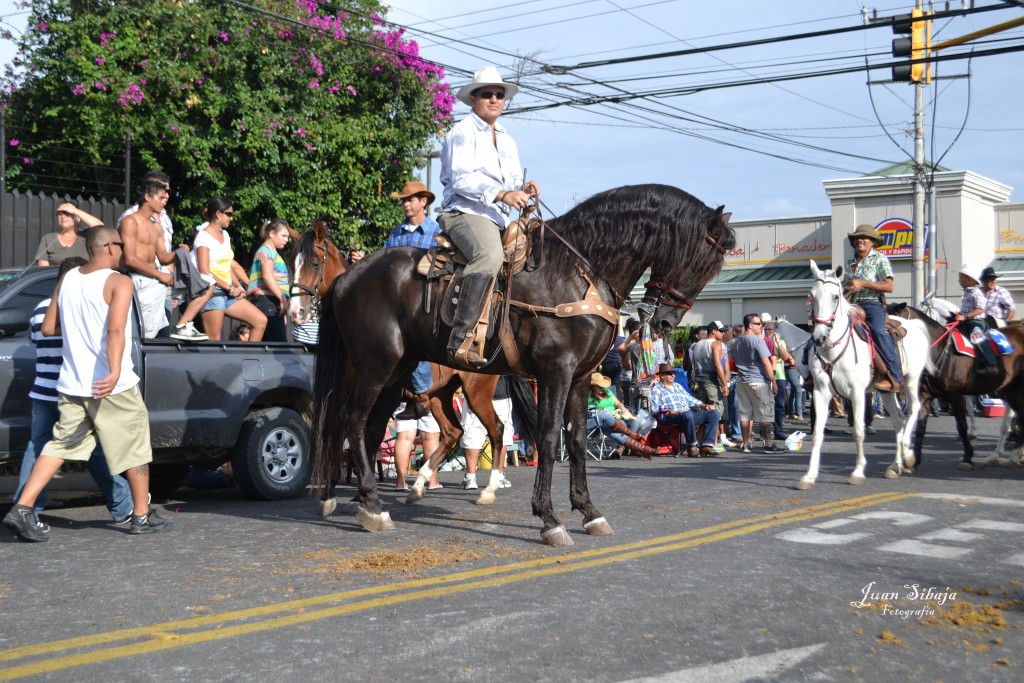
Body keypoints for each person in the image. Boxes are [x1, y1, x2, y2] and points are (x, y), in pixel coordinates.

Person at [3, 227, 171, 542]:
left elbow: (49, 326)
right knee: (135, 446)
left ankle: (23, 507)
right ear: (108, 246)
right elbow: (116, 332)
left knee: (59, 445)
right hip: (110, 384)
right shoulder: (119, 281)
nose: (123, 250)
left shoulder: (68, 280)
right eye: (120, 245)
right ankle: (140, 515)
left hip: (71, 384)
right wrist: (114, 369)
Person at [13, 257, 133, 534]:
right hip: (76, 390)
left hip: (43, 391)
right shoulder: (82, 308)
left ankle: (26, 509)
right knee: (97, 452)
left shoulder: (38, 311)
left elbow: (39, 343)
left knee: (39, 448)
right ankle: (124, 507)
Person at [438, 65, 539, 368]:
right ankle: (461, 338)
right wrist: (504, 195)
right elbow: (461, 180)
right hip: (463, 212)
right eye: (487, 94)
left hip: (495, 217)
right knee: (489, 255)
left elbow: (508, 183)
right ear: (473, 99)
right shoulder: (462, 132)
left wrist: (522, 189)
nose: (494, 99)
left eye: (499, 94)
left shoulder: (508, 140)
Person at [385, 180, 442, 401]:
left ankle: (421, 391)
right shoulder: (396, 233)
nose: (406, 205)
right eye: (404, 201)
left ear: (423, 202)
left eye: (410, 200)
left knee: (413, 337)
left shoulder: (437, 233)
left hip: (424, 301)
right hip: (395, 301)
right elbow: (385, 263)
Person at [193, 196, 267, 341]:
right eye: (229, 214)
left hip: (228, 292)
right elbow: (204, 270)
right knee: (214, 340)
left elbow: (227, 266)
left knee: (260, 321)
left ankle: (248, 361)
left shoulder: (225, 235)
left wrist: (238, 287)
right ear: (218, 214)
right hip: (211, 292)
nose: (231, 218)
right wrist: (230, 288)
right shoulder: (203, 237)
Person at [842, 223, 901, 392]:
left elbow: (889, 286)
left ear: (872, 242)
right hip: (851, 305)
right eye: (856, 238)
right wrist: (845, 288)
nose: (859, 240)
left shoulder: (879, 258)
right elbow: (847, 285)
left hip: (871, 304)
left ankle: (893, 377)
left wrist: (863, 283)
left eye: (864, 237)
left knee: (878, 331)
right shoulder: (849, 262)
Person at [731, 314, 782, 453]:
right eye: (759, 323)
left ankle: (746, 444)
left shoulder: (736, 342)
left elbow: (732, 361)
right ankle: (768, 444)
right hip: (758, 380)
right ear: (750, 325)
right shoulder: (758, 341)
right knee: (765, 414)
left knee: (745, 415)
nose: (761, 326)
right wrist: (773, 381)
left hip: (742, 381)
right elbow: (766, 362)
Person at [649, 363, 721, 457]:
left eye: (674, 373)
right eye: (670, 373)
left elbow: (690, 399)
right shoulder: (656, 390)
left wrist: (704, 405)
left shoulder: (677, 386)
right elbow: (654, 410)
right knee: (688, 414)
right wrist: (671, 412)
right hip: (670, 417)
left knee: (714, 413)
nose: (673, 375)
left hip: (687, 415)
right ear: (662, 375)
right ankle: (691, 446)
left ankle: (706, 445)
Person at [460, 375, 514, 490]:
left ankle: (471, 477)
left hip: (475, 391)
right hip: (501, 392)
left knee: (473, 432)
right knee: (501, 434)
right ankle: (498, 475)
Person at [587, 372, 655, 458]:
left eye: (603, 386)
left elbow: (618, 403)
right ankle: (629, 446)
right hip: (605, 419)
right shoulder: (587, 397)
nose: (603, 388)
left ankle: (621, 447)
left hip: (617, 413)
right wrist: (599, 410)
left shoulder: (606, 391)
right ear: (593, 387)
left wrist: (622, 408)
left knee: (634, 422)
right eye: (600, 387)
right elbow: (587, 411)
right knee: (622, 423)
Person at [247, 219, 292, 342]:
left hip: (271, 303)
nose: (286, 240)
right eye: (283, 236)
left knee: (269, 346)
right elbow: (267, 276)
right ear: (272, 233)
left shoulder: (270, 251)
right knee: (280, 348)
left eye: (287, 237)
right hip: (267, 302)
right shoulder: (267, 250)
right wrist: (282, 298)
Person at [690, 321, 732, 450]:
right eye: (721, 331)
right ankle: (712, 443)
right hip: (711, 383)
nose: (723, 333)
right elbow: (717, 364)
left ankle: (697, 442)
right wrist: (725, 384)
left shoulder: (696, 345)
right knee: (716, 413)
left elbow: (693, 364)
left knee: (702, 413)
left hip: (697, 382)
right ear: (713, 331)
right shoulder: (716, 343)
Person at [955, 263, 999, 375]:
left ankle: (991, 364)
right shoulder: (966, 292)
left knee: (977, 337)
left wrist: (965, 316)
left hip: (976, 322)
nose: (959, 280)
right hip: (966, 320)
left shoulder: (976, 292)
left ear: (969, 279)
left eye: (961, 277)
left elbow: (980, 309)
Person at [34, 202, 103, 266]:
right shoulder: (48, 239)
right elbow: (43, 270)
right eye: (60, 214)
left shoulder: (86, 236)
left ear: (78, 218)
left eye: (67, 213)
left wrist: (75, 211)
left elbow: (101, 227)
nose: (63, 216)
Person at [392, 404, 442, 492]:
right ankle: (432, 481)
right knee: (431, 438)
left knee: (404, 438)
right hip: (429, 398)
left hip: (405, 397)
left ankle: (400, 482)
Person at [761, 318, 792, 440]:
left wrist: (778, 342)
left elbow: (785, 357)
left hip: (779, 376)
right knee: (765, 406)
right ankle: (764, 432)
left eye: (770, 329)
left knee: (779, 405)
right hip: (765, 376)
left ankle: (778, 430)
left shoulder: (780, 342)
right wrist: (774, 360)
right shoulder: (761, 341)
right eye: (766, 329)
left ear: (775, 331)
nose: (768, 331)